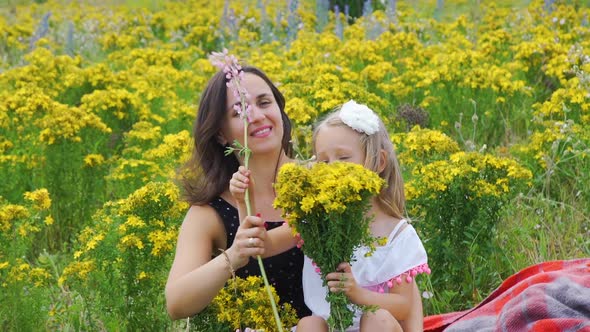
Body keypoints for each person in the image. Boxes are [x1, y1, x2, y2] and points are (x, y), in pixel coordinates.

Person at [230, 100, 429, 331]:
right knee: (310, 324)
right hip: (331, 326)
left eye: (343, 158)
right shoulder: (314, 221)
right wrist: (245, 199)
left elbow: (403, 306)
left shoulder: (397, 234)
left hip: (378, 326)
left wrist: (357, 293)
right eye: (323, 161)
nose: (332, 167)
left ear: (379, 162)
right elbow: (261, 247)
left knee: (377, 318)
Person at [165, 65, 311, 321]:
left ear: (280, 109)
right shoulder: (210, 212)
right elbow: (176, 303)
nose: (256, 116)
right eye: (239, 112)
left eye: (265, 102)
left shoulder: (323, 180)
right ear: (221, 134)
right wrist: (234, 255)